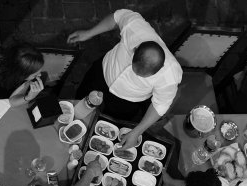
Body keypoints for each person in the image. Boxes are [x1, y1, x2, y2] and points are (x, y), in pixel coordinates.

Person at [67, 9, 182, 149]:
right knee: (80, 100)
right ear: (135, 50)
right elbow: (117, 17)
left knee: (110, 124)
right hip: (102, 72)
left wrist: (137, 132)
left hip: (127, 100)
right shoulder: (135, 27)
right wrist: (89, 33)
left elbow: (160, 105)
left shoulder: (170, 75)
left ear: (160, 69)